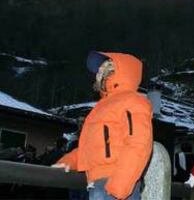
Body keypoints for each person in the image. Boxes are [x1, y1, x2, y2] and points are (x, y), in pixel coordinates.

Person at [53, 51, 153, 200]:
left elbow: (138, 143)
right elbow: (93, 146)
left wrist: (120, 185)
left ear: (117, 71)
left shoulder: (132, 101)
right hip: (99, 183)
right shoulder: (103, 106)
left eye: (102, 69)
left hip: (112, 184)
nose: (97, 74)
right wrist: (68, 161)